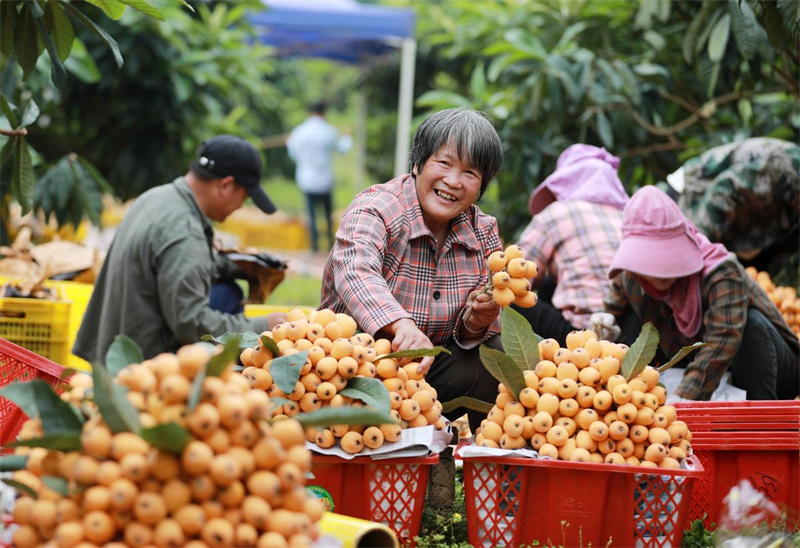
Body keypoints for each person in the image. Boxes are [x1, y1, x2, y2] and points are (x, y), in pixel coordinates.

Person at [319, 107, 504, 433]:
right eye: (444, 163)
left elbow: (468, 339)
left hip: (425, 377)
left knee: (499, 354)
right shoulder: (377, 208)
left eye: (470, 173)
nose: (453, 181)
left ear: (481, 186)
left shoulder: (482, 231)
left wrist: (479, 321)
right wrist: (400, 324)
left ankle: (491, 460)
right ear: (418, 164)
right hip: (351, 367)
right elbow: (355, 269)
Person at [74, 135, 284, 363]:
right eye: (242, 198)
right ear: (225, 185)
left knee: (226, 290)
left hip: (111, 345)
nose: (239, 207)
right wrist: (262, 326)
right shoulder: (184, 232)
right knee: (230, 304)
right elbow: (190, 323)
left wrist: (235, 266)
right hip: (143, 366)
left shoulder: (156, 198)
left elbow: (175, 261)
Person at [591, 186, 799, 401]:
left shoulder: (722, 273)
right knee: (630, 321)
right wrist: (603, 323)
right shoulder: (631, 276)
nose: (658, 272)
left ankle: (759, 421)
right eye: (650, 263)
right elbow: (610, 309)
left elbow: (720, 343)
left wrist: (682, 400)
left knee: (750, 325)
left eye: (666, 260)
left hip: (765, 370)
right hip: (684, 366)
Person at [514, 144, 628, 345]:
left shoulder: (556, 213)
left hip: (581, 335)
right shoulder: (626, 216)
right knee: (550, 284)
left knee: (508, 295)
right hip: (627, 330)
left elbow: (517, 275)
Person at [664, 138, 799, 281]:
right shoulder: (786, 167)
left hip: (743, 228)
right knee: (680, 272)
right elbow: (722, 193)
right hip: (692, 194)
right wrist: (693, 257)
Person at [286, 101, 353, 253]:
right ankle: (331, 244)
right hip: (324, 180)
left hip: (306, 179)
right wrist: (348, 137)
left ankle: (315, 247)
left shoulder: (299, 132)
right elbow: (343, 149)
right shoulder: (329, 131)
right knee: (327, 214)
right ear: (324, 112)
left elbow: (293, 154)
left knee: (311, 215)